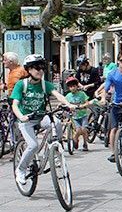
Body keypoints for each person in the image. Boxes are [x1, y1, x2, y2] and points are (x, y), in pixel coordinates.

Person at [11, 55, 76, 185]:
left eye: (42, 68)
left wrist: (68, 104)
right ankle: (21, 170)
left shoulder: (45, 84)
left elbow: (58, 95)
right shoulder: (21, 84)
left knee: (56, 122)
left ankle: (55, 149)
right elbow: (15, 104)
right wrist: (21, 116)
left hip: (41, 117)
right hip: (26, 120)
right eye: (36, 68)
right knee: (33, 145)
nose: (40, 70)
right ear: (28, 70)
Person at [64, 77, 91, 151]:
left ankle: (85, 143)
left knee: (84, 129)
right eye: (70, 87)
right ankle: (75, 138)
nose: (72, 88)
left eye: (74, 86)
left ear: (77, 86)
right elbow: (63, 102)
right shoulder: (68, 96)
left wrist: (84, 105)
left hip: (83, 115)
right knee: (78, 130)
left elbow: (87, 102)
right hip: (74, 117)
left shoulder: (82, 94)